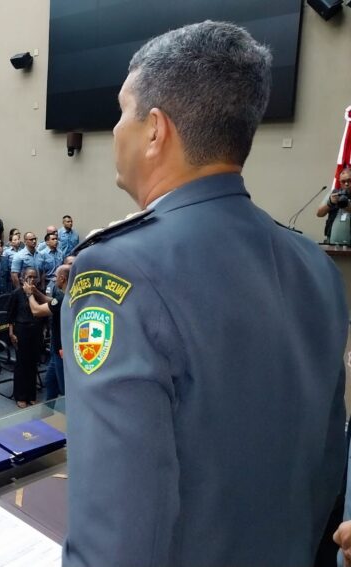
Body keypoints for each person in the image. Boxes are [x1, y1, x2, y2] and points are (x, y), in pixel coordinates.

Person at [61, 21, 348, 567]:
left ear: (155, 130)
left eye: (122, 112)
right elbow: (327, 463)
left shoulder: (120, 271)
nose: (115, 129)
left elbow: (117, 536)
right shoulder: (314, 264)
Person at [25, 264, 69, 400]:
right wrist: (36, 292)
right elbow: (52, 302)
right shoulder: (65, 294)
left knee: (64, 389)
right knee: (50, 382)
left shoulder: (63, 298)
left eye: (56, 276)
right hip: (56, 348)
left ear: (62, 278)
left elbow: (36, 311)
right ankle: (49, 411)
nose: (54, 279)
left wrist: (29, 295)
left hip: (62, 350)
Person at [6, 267, 43, 408]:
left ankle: (31, 395)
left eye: (34, 277)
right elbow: (10, 315)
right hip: (21, 330)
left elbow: (43, 314)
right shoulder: (16, 293)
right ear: (22, 278)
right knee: (22, 364)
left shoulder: (38, 293)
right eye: (29, 277)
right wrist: (11, 333)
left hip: (36, 331)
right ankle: (20, 396)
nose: (32, 279)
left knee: (33, 363)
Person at [317, 168, 351, 245]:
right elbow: (319, 214)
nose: (346, 184)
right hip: (332, 243)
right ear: (340, 182)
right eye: (343, 181)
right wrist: (330, 203)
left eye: (349, 181)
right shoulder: (334, 194)